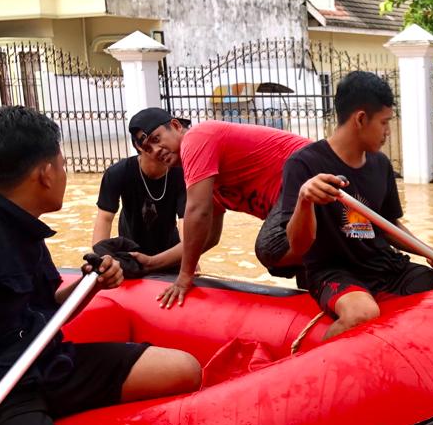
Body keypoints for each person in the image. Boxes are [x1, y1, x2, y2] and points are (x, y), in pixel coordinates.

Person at [0, 106, 201, 425]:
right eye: (62, 161)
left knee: (180, 369)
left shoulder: (22, 228)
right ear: (45, 172)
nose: (66, 170)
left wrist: (93, 283)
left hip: (48, 362)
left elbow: (42, 308)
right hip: (8, 390)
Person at [279, 71, 433, 340]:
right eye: (384, 123)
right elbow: (298, 245)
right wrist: (305, 200)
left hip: (383, 265)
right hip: (333, 270)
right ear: (361, 119)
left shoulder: (380, 164)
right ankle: (315, 365)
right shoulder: (303, 164)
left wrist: (429, 252)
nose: (388, 132)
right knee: (361, 314)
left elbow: (387, 226)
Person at [128, 108, 312, 308]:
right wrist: (151, 263)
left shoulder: (196, 138)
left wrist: (184, 276)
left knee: (271, 247)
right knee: (287, 269)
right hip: (303, 199)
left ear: (175, 126)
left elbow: (198, 211)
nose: (156, 151)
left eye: (156, 139)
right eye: (147, 149)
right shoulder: (209, 178)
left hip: (311, 173)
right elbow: (207, 238)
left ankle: (335, 248)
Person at [92, 142, 186, 275]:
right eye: (155, 139)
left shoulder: (181, 174)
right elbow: (105, 219)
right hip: (130, 255)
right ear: (139, 145)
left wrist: (190, 261)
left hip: (170, 254)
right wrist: (101, 263)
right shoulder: (118, 172)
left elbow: (186, 222)